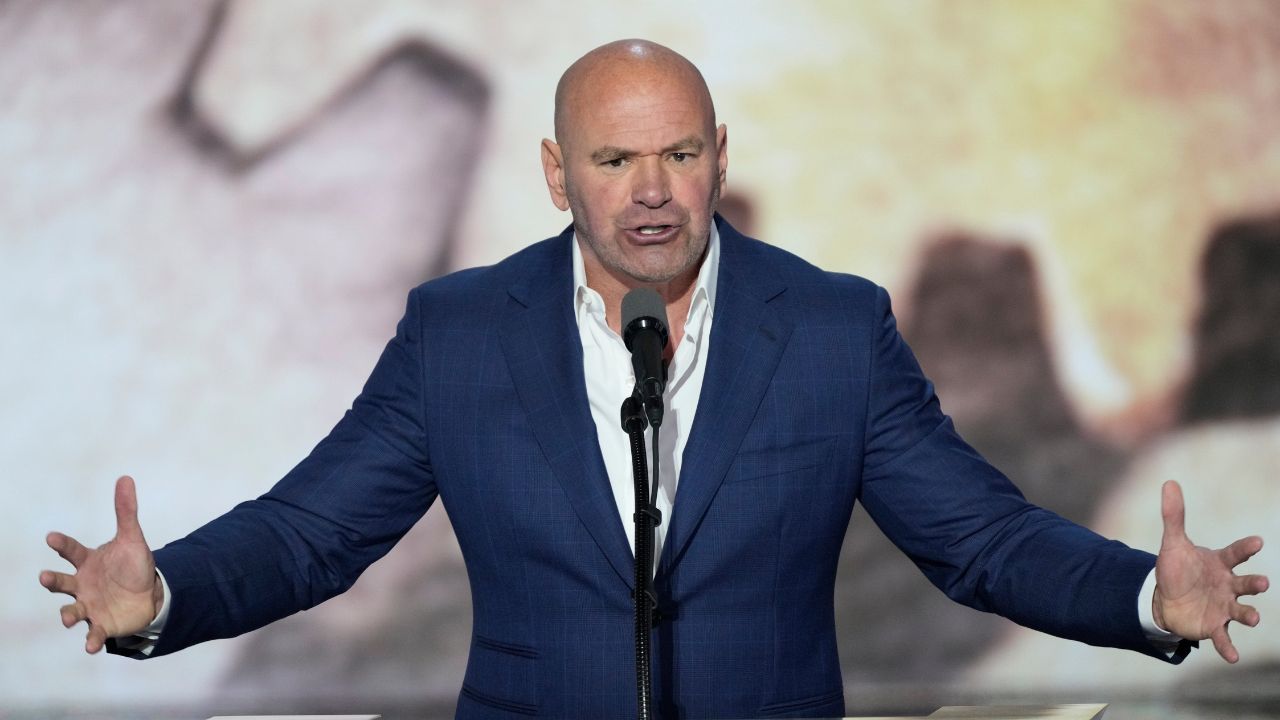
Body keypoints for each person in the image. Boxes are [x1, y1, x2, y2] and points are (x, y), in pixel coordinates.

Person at [40, 39, 1268, 719]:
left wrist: (1142, 601)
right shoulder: (459, 333)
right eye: (614, 157)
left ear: (719, 157)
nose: (649, 190)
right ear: (554, 171)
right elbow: (315, 533)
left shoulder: (832, 330)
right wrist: (166, 598)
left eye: (679, 153)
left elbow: (979, 539)